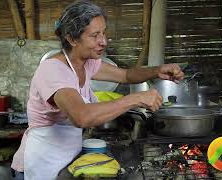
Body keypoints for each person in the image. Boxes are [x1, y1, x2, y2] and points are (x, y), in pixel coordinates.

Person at [11, 0, 184, 179]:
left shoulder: (87, 63)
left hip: (66, 161)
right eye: (95, 35)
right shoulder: (53, 71)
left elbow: (126, 75)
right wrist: (135, 99)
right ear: (72, 39)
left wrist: (157, 70)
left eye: (104, 33)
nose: (104, 41)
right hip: (39, 163)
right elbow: (81, 116)